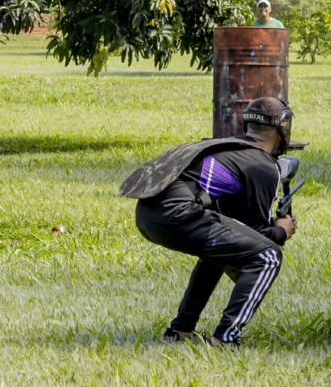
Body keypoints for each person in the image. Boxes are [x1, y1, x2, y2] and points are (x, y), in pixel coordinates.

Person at [119, 97, 298, 345]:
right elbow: (257, 231)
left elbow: (237, 225)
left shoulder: (225, 147)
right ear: (283, 130)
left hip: (148, 215)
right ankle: (225, 339)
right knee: (268, 257)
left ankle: (181, 331)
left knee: (220, 249)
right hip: (179, 215)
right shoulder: (263, 166)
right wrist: (282, 231)